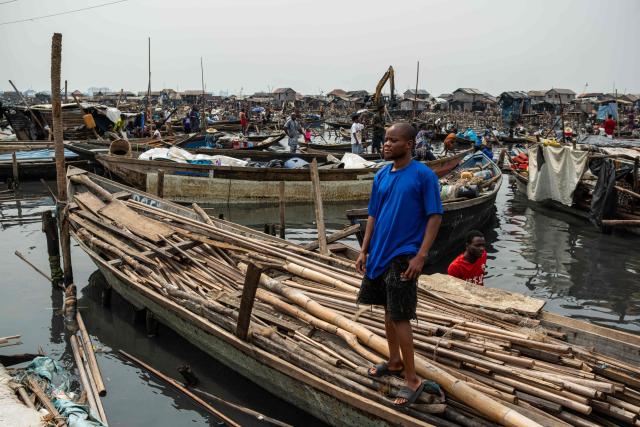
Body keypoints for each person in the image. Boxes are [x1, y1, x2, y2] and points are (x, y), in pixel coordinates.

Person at [356, 123, 443, 407]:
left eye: (393, 140)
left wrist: (421, 255)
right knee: (387, 309)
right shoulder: (382, 175)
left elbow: (434, 217)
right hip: (379, 253)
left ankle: (412, 379)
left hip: (404, 255)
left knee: (401, 315)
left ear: (408, 144)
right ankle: (393, 361)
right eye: (385, 139)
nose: (386, 144)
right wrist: (364, 250)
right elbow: (372, 215)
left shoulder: (423, 176)